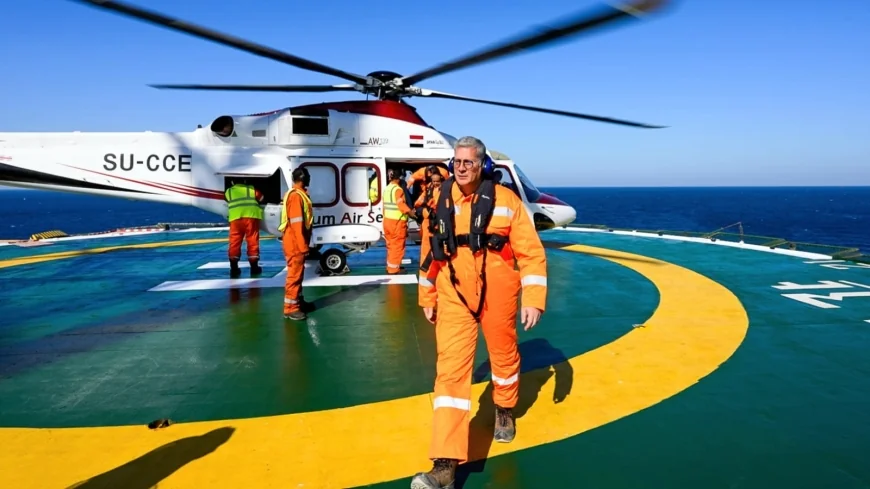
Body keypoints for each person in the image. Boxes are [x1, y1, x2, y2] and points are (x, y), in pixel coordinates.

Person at [411, 136, 547, 489]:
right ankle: (444, 464)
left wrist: (533, 297)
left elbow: (530, 252)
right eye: (456, 162)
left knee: (504, 356)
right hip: (453, 293)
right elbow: (430, 253)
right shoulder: (440, 201)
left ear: (483, 165)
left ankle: (504, 408)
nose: (461, 168)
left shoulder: (506, 201)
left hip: (498, 293)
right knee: (450, 374)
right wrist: (427, 296)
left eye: (468, 162)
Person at [278, 167, 314, 321]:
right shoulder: (296, 197)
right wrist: (303, 246)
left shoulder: (299, 194)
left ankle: (298, 302)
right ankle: (290, 308)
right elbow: (297, 224)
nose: (309, 179)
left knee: (299, 273)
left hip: (296, 240)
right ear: (303, 178)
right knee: (294, 275)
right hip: (294, 242)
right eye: (308, 176)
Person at [224, 178, 264, 278]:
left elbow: (226, 199)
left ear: (232, 182)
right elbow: (261, 198)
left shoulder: (229, 192)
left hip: (235, 218)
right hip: (251, 217)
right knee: (252, 240)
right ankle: (254, 267)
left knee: (234, 241)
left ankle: (234, 268)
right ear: (245, 181)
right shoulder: (252, 189)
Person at [382, 167, 416, 274]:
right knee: (397, 246)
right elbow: (401, 204)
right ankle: (393, 269)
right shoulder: (398, 190)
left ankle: (390, 266)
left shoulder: (387, 188)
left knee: (390, 245)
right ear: (400, 178)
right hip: (397, 223)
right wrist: (411, 213)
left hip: (387, 221)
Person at [413, 165, 444, 268]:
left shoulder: (446, 190)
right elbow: (418, 203)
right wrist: (423, 210)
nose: (435, 183)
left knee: (439, 248)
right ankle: (425, 270)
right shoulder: (428, 189)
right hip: (428, 222)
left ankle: (437, 268)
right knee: (426, 248)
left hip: (440, 223)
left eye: (437, 181)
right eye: (433, 181)